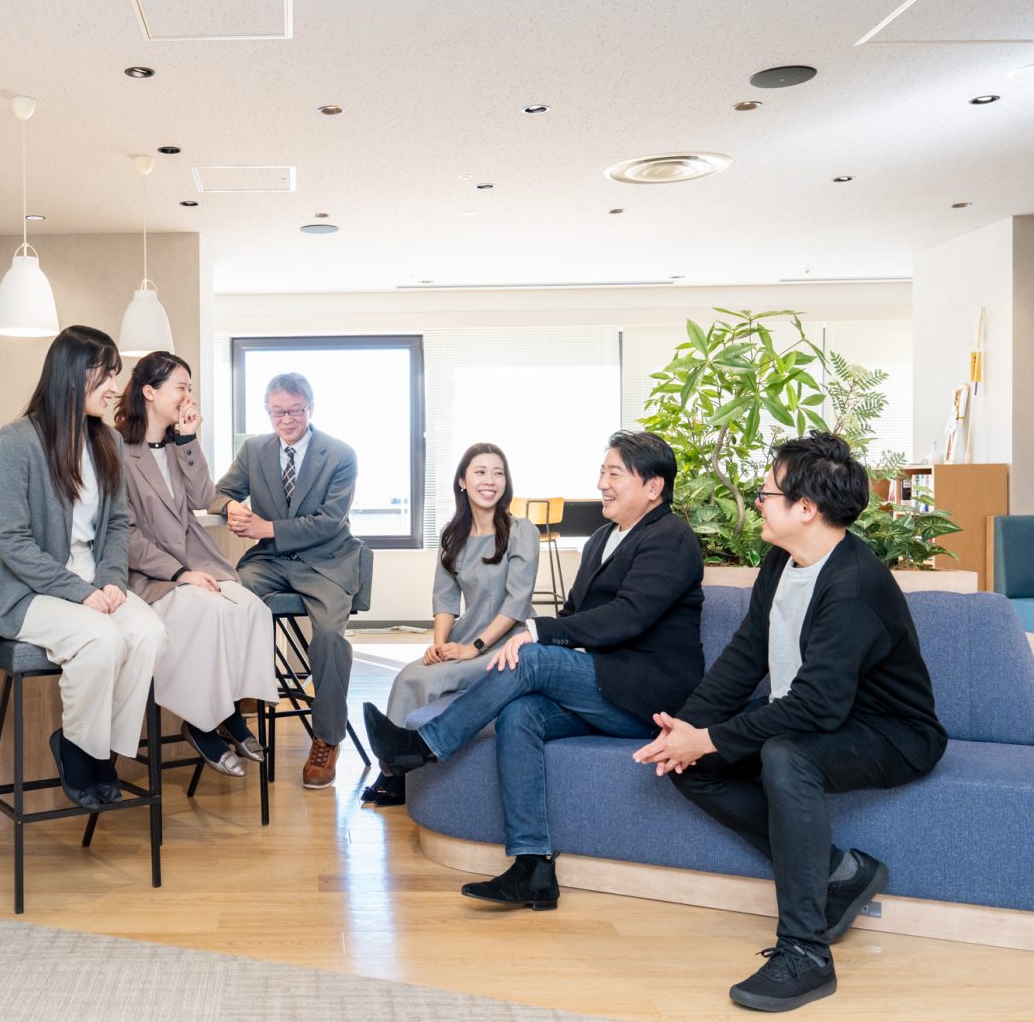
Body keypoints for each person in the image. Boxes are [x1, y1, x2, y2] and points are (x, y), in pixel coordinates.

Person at [633, 432, 946, 1013]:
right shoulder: (782, 560)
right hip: (818, 712)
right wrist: (687, 732)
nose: (757, 502)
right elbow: (746, 654)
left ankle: (806, 952)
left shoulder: (854, 585)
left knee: (785, 755)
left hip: (892, 732)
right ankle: (840, 874)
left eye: (767, 494)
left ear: (806, 508)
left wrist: (710, 737)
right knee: (690, 765)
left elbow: (817, 707)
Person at [364, 430, 704, 906]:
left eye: (614, 474)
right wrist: (552, 641)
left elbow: (629, 617)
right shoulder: (602, 539)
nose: (601, 484)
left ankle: (423, 745)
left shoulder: (671, 538)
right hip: (603, 687)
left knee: (531, 655)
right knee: (519, 713)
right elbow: (576, 613)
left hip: (647, 697)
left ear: (653, 486)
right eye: (602, 472)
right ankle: (533, 867)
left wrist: (538, 633)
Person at [0, 326, 167, 809]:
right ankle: (82, 752)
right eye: (107, 376)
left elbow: (117, 523)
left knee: (149, 633)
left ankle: (96, 749)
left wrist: (111, 580)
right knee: (101, 639)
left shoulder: (108, 442)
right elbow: (11, 538)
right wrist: (79, 592)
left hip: (95, 578)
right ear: (73, 375)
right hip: (31, 590)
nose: (115, 388)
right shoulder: (18, 440)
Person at [113, 352, 277, 776]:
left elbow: (205, 496)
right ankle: (203, 724)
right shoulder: (117, 450)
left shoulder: (178, 443)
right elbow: (124, 533)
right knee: (208, 613)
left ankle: (230, 711)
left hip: (198, 563)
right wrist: (180, 574)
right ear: (150, 393)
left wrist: (188, 439)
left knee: (252, 609)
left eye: (190, 387)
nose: (188, 396)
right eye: (181, 387)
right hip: (153, 575)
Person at [361, 442, 539, 806]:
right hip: (466, 636)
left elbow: (516, 603)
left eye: (498, 473)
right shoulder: (451, 534)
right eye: (480, 472)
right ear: (462, 481)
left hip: (509, 643)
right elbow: (445, 599)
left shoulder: (522, 531)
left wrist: (472, 649)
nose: (490, 481)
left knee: (428, 680)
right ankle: (393, 766)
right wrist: (440, 645)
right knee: (410, 674)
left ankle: (394, 776)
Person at [210, 372, 360, 790]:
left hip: (327, 561)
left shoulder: (340, 454)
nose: (287, 419)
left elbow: (330, 522)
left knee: (328, 637)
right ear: (268, 411)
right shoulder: (254, 449)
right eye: (278, 412)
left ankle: (327, 738)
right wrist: (230, 508)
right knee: (224, 603)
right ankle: (226, 714)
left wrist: (268, 528)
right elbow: (219, 493)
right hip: (270, 561)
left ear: (310, 408)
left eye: (295, 410)